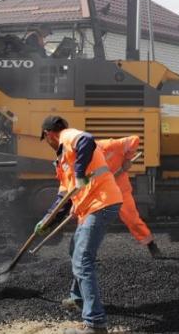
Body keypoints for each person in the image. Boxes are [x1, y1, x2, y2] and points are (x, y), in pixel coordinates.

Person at [36, 116, 122, 334]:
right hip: (90, 207)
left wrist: (80, 173)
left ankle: (95, 324)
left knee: (83, 260)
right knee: (75, 250)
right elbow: (63, 198)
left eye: (45, 139)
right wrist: (47, 220)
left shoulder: (68, 137)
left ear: (49, 134)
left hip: (100, 202)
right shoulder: (64, 158)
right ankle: (79, 299)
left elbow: (87, 139)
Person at [98, 136, 161, 258]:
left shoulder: (110, 146)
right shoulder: (84, 161)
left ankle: (151, 244)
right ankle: (86, 255)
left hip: (121, 190)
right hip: (101, 193)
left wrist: (127, 159)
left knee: (132, 220)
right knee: (90, 223)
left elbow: (135, 140)